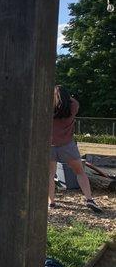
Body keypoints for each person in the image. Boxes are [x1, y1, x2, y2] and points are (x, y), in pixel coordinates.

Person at [49, 85, 102, 213]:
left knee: (49, 175)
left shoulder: (48, 107)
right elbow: (72, 101)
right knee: (80, 172)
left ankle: (52, 202)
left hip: (49, 146)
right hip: (67, 145)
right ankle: (89, 199)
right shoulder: (73, 106)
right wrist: (65, 96)